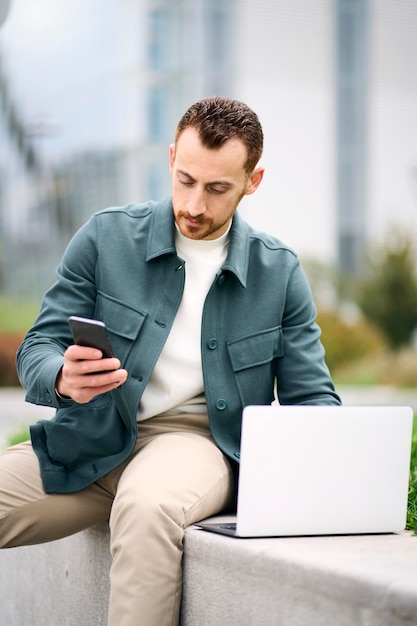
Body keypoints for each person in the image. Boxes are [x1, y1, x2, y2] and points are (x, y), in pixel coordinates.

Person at [0, 96, 340, 625]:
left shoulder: (280, 272)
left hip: (196, 443)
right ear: (170, 160)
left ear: (253, 181)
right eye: (185, 179)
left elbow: (311, 399)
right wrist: (64, 378)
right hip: (91, 439)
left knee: (147, 507)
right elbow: (37, 349)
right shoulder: (104, 237)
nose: (194, 205)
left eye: (217, 188)